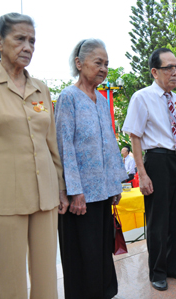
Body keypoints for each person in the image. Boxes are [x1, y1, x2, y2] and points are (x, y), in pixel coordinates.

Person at [0, 13, 66, 299]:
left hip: (44, 197)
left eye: (32, 40)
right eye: (20, 39)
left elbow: (51, 142)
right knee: (7, 278)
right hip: (2, 199)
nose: (28, 46)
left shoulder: (40, 87)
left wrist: (61, 188)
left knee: (46, 278)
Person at [55, 39, 128, 299]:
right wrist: (74, 191)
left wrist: (116, 184)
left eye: (106, 64)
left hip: (102, 192)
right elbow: (65, 147)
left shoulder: (101, 99)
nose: (104, 68)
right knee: (81, 255)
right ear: (79, 63)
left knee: (100, 251)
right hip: (81, 197)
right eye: (98, 62)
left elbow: (109, 143)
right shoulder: (68, 97)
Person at [122, 48, 176, 291]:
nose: (175, 72)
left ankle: (175, 265)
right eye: (168, 68)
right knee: (158, 219)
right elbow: (135, 136)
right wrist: (142, 172)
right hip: (157, 161)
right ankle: (158, 270)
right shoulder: (141, 97)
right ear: (154, 72)